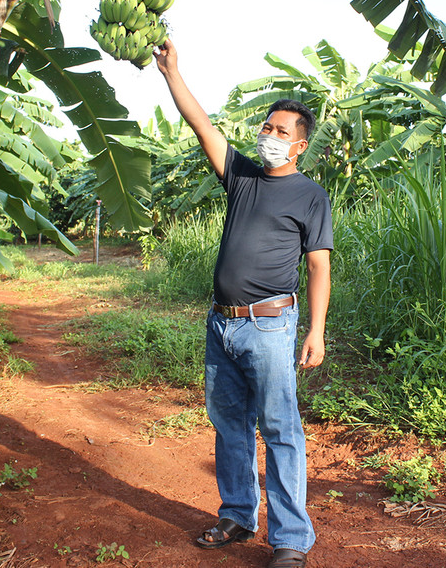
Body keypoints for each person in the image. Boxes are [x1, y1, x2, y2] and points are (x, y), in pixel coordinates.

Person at [154, 39, 332, 568]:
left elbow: (318, 266)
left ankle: (291, 540)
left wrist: (316, 331)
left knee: (280, 430)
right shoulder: (242, 176)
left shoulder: (310, 195)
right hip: (222, 325)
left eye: (281, 132)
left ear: (299, 145)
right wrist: (171, 73)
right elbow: (202, 125)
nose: (269, 136)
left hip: (270, 326)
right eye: (267, 128)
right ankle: (237, 513)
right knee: (230, 425)